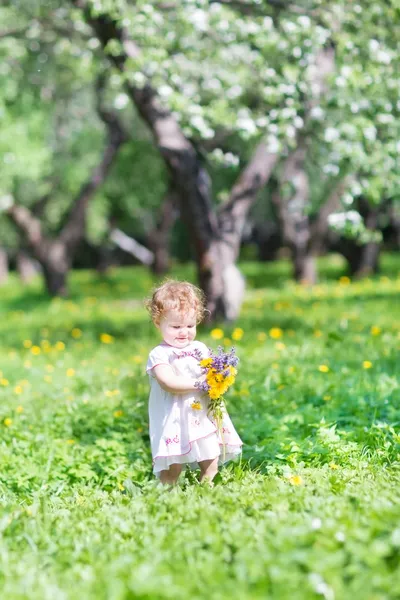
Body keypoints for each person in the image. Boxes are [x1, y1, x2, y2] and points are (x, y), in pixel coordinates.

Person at [145, 280, 242, 485]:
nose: (184, 332)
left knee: (211, 458)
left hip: (201, 413)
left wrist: (220, 376)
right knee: (173, 466)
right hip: (174, 417)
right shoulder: (160, 354)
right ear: (158, 323)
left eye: (190, 325)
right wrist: (199, 384)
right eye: (176, 326)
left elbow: (212, 371)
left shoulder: (199, 347)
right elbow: (168, 382)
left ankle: (206, 491)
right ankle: (167, 496)